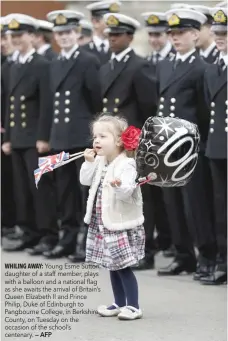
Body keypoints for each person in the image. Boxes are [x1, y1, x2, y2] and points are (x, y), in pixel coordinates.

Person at [156, 8, 214, 278]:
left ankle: (207, 256)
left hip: (189, 148)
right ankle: (183, 255)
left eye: (180, 33)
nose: (175, 38)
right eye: (172, 33)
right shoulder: (166, 64)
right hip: (167, 147)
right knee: (173, 205)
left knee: (195, 206)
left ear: (195, 34)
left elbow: (204, 111)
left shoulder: (203, 67)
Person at [100, 12, 158, 270]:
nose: (112, 39)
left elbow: (148, 108)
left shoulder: (139, 65)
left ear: (130, 37)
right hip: (113, 143)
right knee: (114, 195)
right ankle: (120, 247)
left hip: (132, 142)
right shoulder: (106, 66)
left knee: (137, 197)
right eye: (109, 35)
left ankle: (146, 250)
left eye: (117, 35)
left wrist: (138, 140)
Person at [44, 10, 102, 259]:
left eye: (68, 32)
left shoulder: (88, 60)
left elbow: (95, 99)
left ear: (77, 33)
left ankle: (86, 241)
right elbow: (50, 103)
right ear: (55, 36)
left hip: (81, 135)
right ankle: (67, 238)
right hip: (60, 136)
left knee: (85, 191)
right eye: (60, 33)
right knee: (65, 191)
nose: (64, 37)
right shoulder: (54, 62)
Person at [2, 13, 58, 253]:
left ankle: (47, 233)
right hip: (16, 138)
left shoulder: (42, 64)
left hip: (34, 137)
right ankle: (28, 231)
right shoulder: (13, 65)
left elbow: (47, 104)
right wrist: (6, 138)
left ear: (33, 37)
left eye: (19, 35)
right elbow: (8, 103)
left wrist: (44, 137)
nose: (14, 39)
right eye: (11, 35)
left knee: (40, 188)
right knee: (22, 189)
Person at [80, 114, 144, 320]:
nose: (96, 140)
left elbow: (128, 192)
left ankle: (133, 305)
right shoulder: (99, 161)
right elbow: (85, 180)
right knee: (111, 265)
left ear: (118, 141)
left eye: (102, 136)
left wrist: (118, 186)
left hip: (119, 223)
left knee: (122, 266)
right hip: (103, 222)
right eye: (95, 136)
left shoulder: (127, 164)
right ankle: (119, 302)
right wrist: (88, 163)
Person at [141, 11, 175, 258]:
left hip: (169, 135)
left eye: (159, 34)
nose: (154, 39)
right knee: (154, 191)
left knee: (169, 194)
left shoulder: (174, 59)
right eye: (151, 34)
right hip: (150, 136)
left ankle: (173, 239)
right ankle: (163, 238)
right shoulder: (149, 60)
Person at [201, 6, 227, 285]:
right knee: (221, 206)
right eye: (217, 32)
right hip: (218, 147)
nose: (220, 38)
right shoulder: (212, 70)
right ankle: (223, 258)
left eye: (225, 33)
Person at [1, 17, 18, 237]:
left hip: (9, 129)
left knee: (10, 180)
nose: (3, 42)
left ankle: (11, 222)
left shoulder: (11, 65)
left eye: (6, 37)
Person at [83, 0, 122, 65]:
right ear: (95, 22)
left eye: (116, 21)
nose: (114, 25)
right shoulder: (83, 51)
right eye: (110, 20)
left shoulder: (120, 50)